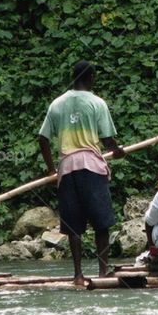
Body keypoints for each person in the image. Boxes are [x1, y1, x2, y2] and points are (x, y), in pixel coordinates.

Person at [38, 61, 126, 286]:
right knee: (102, 223)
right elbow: (107, 140)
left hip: (67, 170)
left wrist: (51, 169)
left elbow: (43, 137)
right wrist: (117, 151)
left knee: (74, 225)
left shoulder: (56, 104)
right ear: (91, 78)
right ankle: (103, 272)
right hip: (91, 167)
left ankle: (77, 275)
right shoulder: (97, 103)